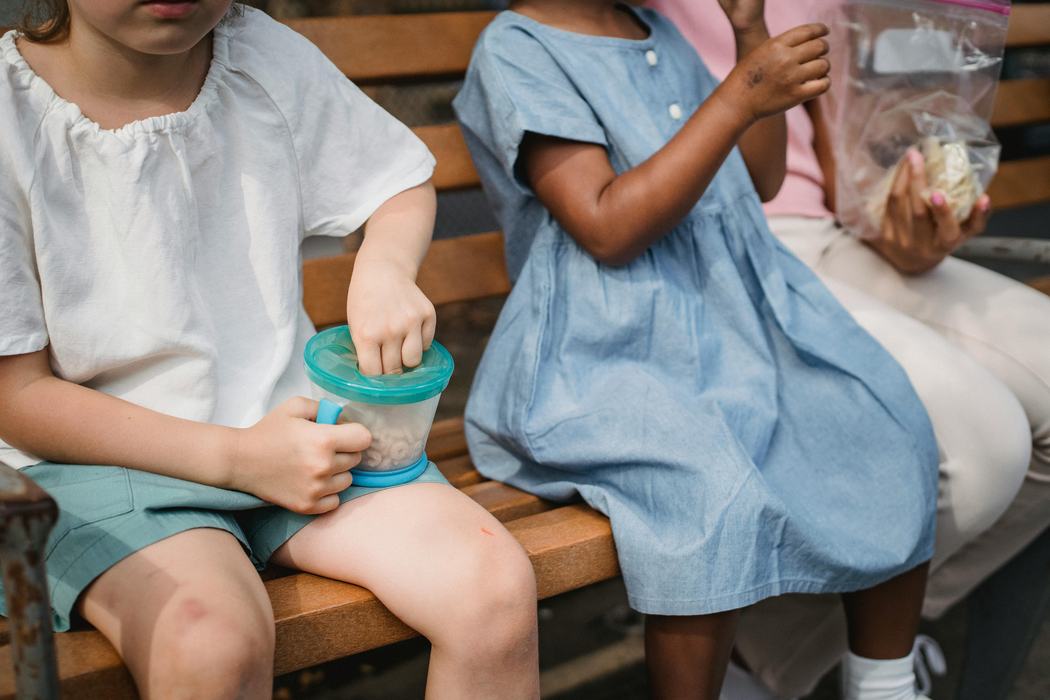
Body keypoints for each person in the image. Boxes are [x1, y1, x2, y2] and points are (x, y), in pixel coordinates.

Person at [0, 2, 540, 698]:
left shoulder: (260, 56)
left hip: (296, 441)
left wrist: (383, 267)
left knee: (491, 585)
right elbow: (17, 397)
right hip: (97, 466)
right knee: (210, 641)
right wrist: (237, 460)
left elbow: (397, 183)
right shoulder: (10, 120)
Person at [454, 1, 942, 697]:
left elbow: (762, 179)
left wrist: (749, 38)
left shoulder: (658, 30)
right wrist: (741, 94)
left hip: (729, 318)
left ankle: (885, 684)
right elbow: (604, 226)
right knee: (712, 496)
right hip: (603, 354)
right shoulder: (517, 51)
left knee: (883, 421)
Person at [648, 0, 1050, 696]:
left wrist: (898, 222)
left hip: (824, 237)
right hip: (701, 248)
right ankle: (862, 660)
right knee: (980, 445)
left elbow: (835, 144)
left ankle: (774, 657)